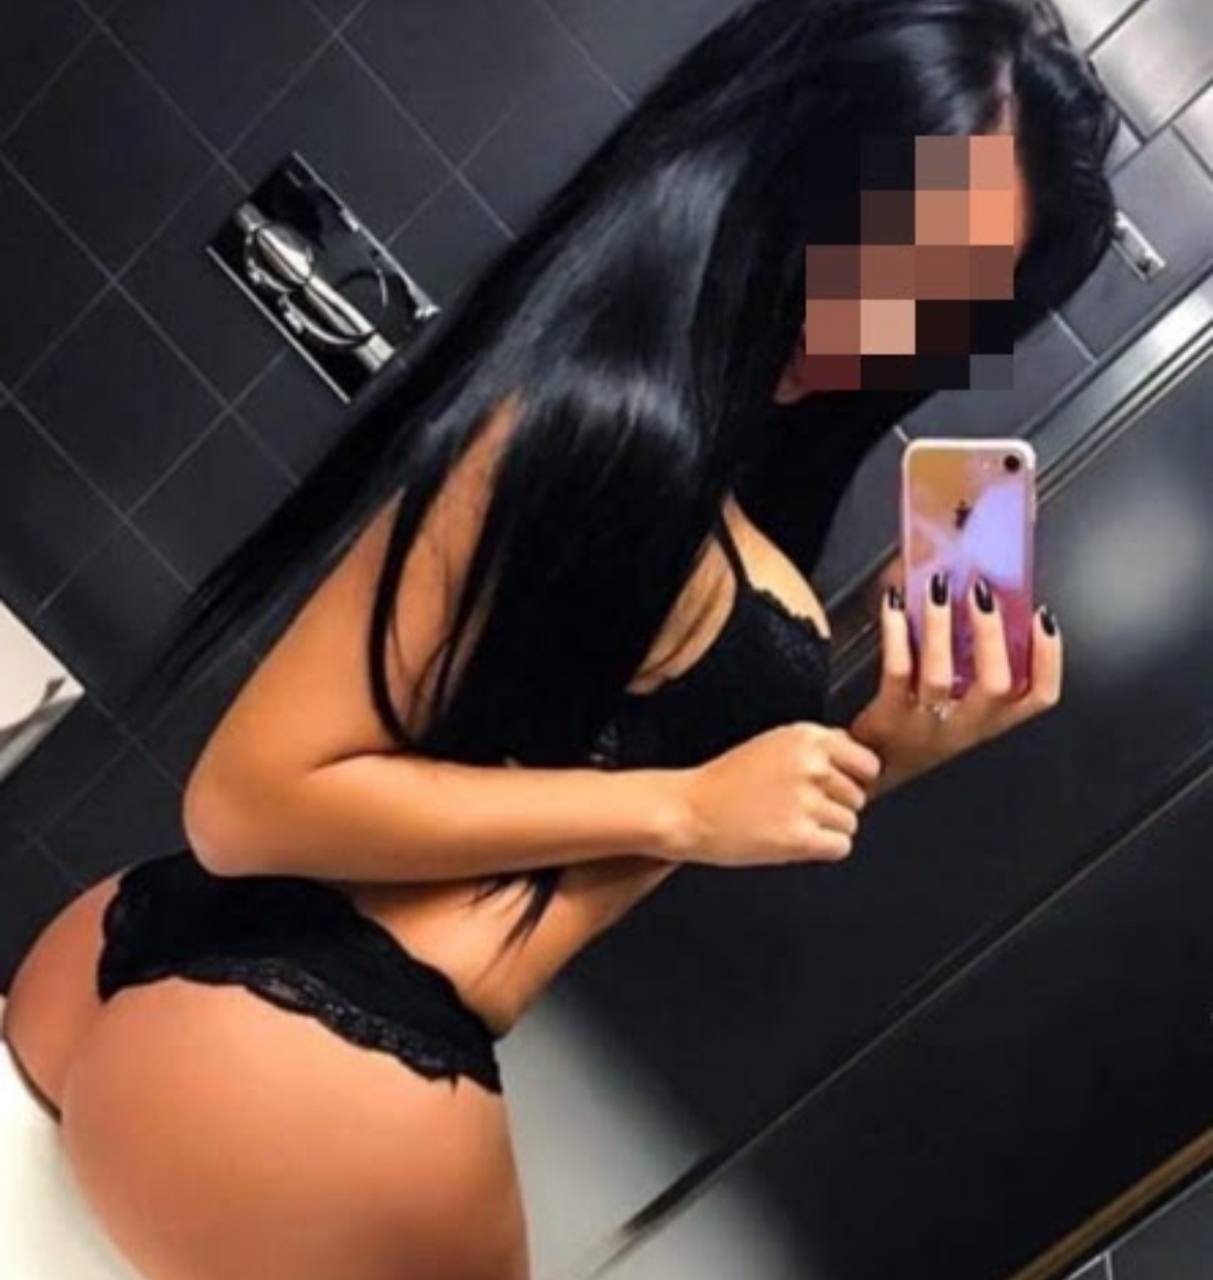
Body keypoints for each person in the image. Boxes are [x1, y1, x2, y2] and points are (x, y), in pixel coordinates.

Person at [2, 1, 1121, 1276]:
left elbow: (594, 811)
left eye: (950, 300)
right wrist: (684, 804)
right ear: (788, 152)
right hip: (302, 1060)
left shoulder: (676, 435)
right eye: (891, 247)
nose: (889, 321)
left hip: (178, 985)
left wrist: (869, 755)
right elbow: (247, 803)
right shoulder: (602, 416)